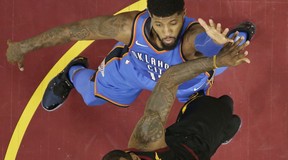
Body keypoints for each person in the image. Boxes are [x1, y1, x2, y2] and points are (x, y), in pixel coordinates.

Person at [6, 0, 256, 111]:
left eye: (173, 22)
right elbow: (71, 31)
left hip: (184, 82)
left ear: (184, 13)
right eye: (160, 24)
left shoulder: (193, 37)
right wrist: (23, 47)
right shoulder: (128, 27)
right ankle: (73, 72)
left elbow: (204, 42)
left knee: (224, 52)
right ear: (149, 14)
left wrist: (216, 43)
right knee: (92, 98)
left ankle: (239, 34)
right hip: (134, 72)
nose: (168, 32)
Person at [100, 35, 250, 160]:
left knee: (224, 105)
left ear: (136, 159)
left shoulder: (146, 139)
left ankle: (215, 122)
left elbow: (169, 80)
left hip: (190, 144)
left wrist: (217, 61)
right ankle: (221, 131)